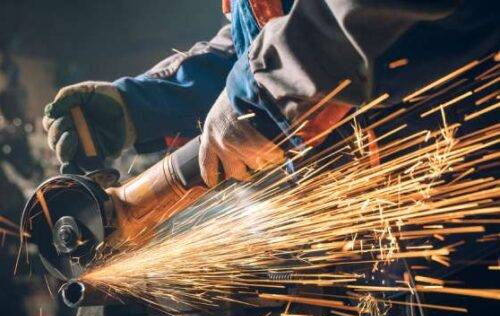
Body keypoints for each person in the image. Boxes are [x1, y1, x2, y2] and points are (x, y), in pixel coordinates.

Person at [43, 0, 498, 188]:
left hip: (466, 182)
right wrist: (147, 104)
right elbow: (265, 31)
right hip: (386, 216)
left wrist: (266, 91)